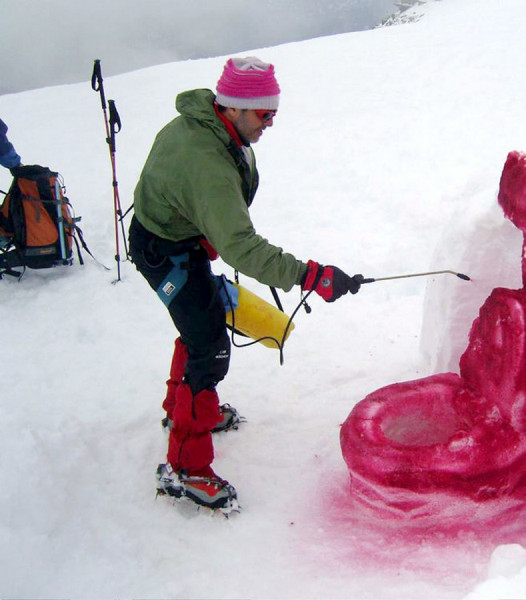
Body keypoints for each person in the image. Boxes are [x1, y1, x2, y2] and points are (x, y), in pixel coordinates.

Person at [129, 57, 362, 513]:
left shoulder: (209, 125)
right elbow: (240, 245)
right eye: (263, 114)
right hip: (165, 251)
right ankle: (185, 469)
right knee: (209, 348)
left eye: (273, 113)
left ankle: (181, 408)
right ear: (233, 107)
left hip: (177, 239)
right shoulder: (207, 161)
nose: (269, 123)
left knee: (201, 324)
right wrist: (309, 275)